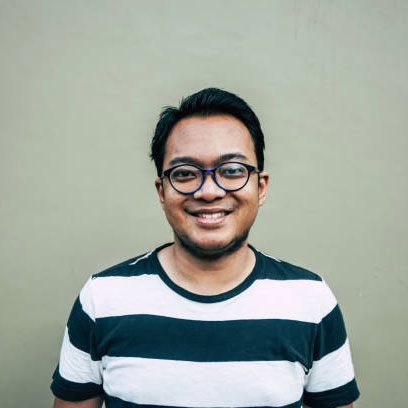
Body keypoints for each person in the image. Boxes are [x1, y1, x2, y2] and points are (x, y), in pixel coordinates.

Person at [51, 88, 360, 408]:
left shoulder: (311, 301)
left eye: (232, 170)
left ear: (261, 187)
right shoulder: (102, 299)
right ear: (162, 192)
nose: (209, 191)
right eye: (185, 173)